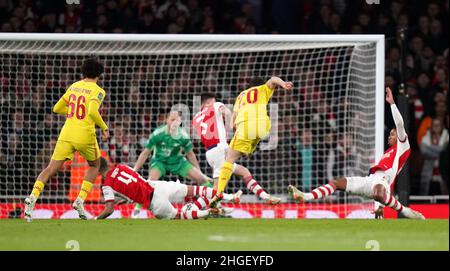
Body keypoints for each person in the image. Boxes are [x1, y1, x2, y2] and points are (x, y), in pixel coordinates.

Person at [288, 87, 425, 220]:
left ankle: (405, 211)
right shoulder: (388, 152)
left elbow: (400, 124)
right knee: (337, 183)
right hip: (370, 181)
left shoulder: (403, 146)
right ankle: (306, 196)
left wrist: (392, 104)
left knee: (378, 193)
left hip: (383, 184)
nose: (390, 136)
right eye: (389, 134)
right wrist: (379, 205)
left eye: (392, 134)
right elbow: (377, 178)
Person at [24, 57, 109, 222]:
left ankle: (32, 197)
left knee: (50, 168)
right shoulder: (98, 90)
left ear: (82, 72)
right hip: (84, 134)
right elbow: (91, 111)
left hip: (67, 133)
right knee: (95, 165)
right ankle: (80, 200)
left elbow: (57, 108)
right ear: (99, 74)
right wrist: (104, 127)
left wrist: (73, 113)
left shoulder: (74, 86)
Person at [131, 110, 236, 216]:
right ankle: (137, 209)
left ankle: (217, 206)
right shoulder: (158, 134)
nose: (174, 122)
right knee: (151, 181)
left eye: (177, 120)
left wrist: (200, 173)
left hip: (177, 161)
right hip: (160, 161)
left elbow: (190, 154)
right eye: (172, 119)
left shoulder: (183, 135)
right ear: (167, 120)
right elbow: (145, 153)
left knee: (202, 179)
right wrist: (135, 169)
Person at [209, 76, 293, 207]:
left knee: (229, 160)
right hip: (264, 126)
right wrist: (283, 84)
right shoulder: (263, 89)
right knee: (249, 145)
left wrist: (232, 127)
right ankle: (249, 150)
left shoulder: (241, 96)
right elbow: (273, 79)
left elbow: (232, 123)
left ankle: (219, 192)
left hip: (246, 125)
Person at [192, 93, 276, 203]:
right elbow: (227, 113)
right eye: (212, 101)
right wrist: (233, 126)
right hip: (220, 149)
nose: (214, 102)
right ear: (207, 103)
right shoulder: (216, 105)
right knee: (217, 189)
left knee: (244, 172)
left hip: (210, 153)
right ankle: (196, 208)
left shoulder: (195, 118)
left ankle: (265, 197)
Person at [95, 158, 239, 220]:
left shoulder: (107, 185)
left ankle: (207, 212)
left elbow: (109, 210)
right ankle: (229, 196)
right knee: (195, 190)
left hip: (154, 203)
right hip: (158, 186)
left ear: (97, 169)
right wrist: (126, 198)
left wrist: (96, 218)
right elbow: (132, 183)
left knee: (179, 215)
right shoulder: (121, 166)